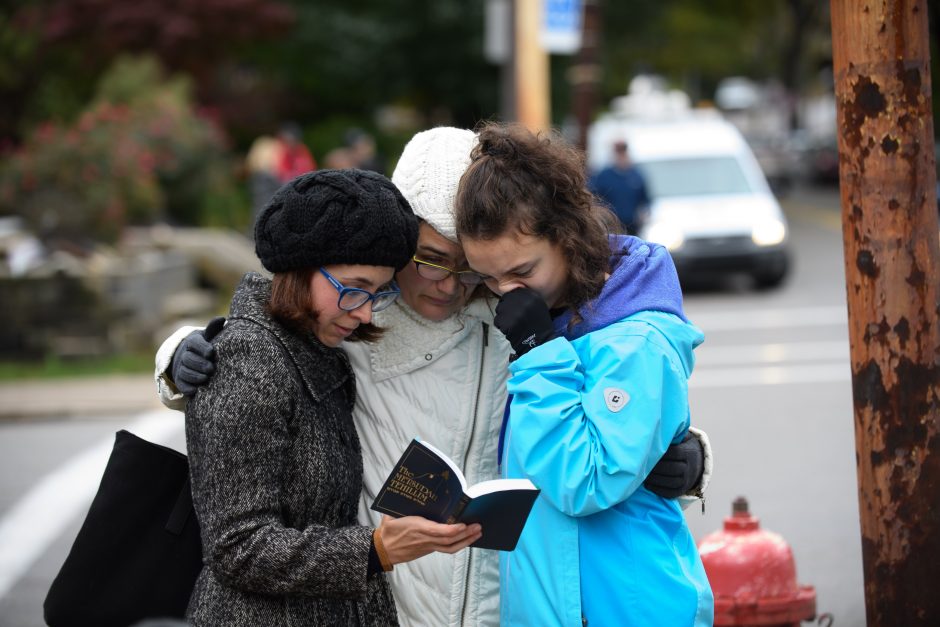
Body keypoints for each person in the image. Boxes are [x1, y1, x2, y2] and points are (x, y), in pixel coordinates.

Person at [156, 129, 712, 626]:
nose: (448, 284)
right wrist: (180, 356)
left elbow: (608, 415)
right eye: (428, 259)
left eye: (465, 268)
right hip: (383, 596)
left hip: (506, 600)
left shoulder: (516, 318)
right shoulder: (356, 315)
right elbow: (267, 351)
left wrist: (689, 458)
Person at [182, 168, 481, 626]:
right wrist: (377, 548)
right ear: (301, 267)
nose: (362, 313)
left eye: (378, 294)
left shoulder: (321, 349)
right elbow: (237, 546)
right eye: (353, 289)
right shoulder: (250, 358)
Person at [454, 122, 714, 626]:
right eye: (487, 277)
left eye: (522, 273)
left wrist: (536, 354)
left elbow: (584, 482)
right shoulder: (552, 312)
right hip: (559, 602)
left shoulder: (634, 339)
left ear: (567, 237)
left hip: (626, 607)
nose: (508, 293)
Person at [588, 139, 650, 235]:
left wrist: (643, 214)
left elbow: (645, 199)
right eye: (618, 152)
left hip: (632, 225)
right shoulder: (604, 176)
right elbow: (594, 196)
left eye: (623, 152)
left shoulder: (636, 175)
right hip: (611, 225)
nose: (621, 155)